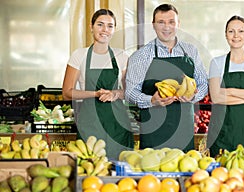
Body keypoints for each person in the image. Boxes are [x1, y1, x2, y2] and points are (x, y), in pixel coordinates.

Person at [125, 4, 208, 152]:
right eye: (161, 22)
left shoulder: (191, 51)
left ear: (178, 24)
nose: (166, 27)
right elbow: (130, 93)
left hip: (184, 129)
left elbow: (203, 84)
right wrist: (151, 100)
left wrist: (193, 97)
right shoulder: (141, 55)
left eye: (171, 22)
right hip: (153, 131)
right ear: (153, 25)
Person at [62, 9, 134, 160]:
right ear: (91, 26)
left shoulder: (121, 56)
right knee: (90, 169)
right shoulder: (79, 55)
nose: (104, 30)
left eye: (110, 26)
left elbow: (130, 91)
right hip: (90, 126)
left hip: (118, 127)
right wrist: (95, 94)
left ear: (114, 29)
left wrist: (115, 94)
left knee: (120, 174)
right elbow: (67, 92)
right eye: (100, 24)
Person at [206, 15, 244, 157]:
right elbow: (216, 97)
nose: (236, 36)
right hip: (221, 135)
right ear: (225, 34)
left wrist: (230, 91)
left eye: (241, 31)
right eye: (231, 31)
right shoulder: (217, 62)